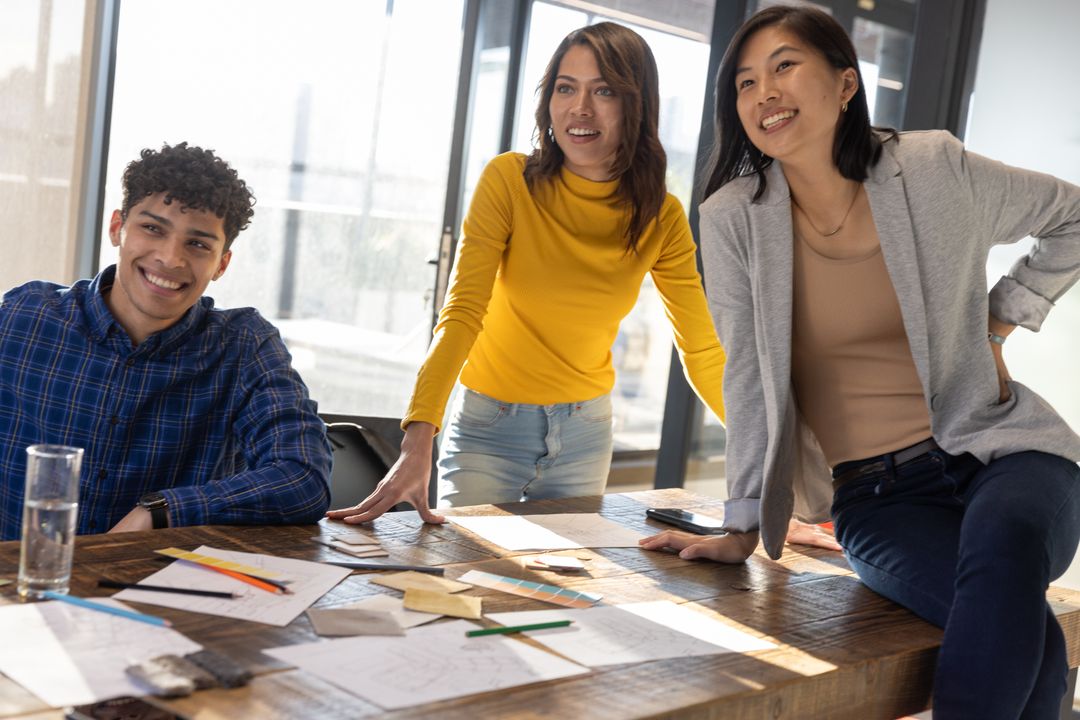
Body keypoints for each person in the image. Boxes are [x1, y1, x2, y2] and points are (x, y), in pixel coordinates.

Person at [640, 6, 1080, 718]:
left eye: (785, 66)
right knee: (1032, 636)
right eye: (745, 82)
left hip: (1003, 454)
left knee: (1005, 545)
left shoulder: (933, 168)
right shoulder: (732, 219)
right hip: (879, 499)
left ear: (846, 84)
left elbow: (1073, 216)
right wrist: (743, 521)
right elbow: (746, 373)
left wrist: (1000, 322)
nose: (764, 92)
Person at [327, 22, 728, 525]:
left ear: (637, 105)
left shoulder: (660, 215)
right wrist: (418, 435)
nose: (580, 108)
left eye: (604, 91)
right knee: (466, 567)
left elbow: (702, 350)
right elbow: (462, 312)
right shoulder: (509, 181)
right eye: (566, 88)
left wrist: (770, 463)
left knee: (566, 575)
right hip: (488, 430)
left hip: (585, 435)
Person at [0, 142, 332, 538]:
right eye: (153, 228)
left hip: (155, 577)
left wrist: (162, 511)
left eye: (198, 244)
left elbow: (303, 477)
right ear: (117, 228)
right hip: (20, 575)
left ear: (222, 264)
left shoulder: (244, 348)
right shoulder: (23, 318)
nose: (171, 258)